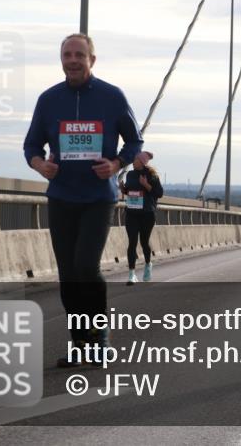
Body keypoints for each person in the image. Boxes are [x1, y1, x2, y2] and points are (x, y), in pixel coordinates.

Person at [23, 33, 146, 367]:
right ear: (61, 59)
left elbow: (134, 141)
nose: (73, 60)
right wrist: (39, 164)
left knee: (85, 268)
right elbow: (31, 146)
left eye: (80, 54)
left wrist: (117, 164)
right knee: (68, 274)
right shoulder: (48, 100)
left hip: (97, 198)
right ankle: (79, 343)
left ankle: (99, 339)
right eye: (67, 54)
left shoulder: (112, 97)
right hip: (62, 196)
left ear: (92, 59)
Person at [121, 151, 163, 285]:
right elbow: (130, 191)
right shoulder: (130, 174)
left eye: (135, 159)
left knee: (144, 242)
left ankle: (148, 264)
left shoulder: (151, 175)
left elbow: (159, 193)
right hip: (132, 213)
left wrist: (146, 185)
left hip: (147, 214)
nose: (133, 161)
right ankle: (131, 274)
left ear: (142, 161)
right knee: (132, 242)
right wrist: (123, 190)